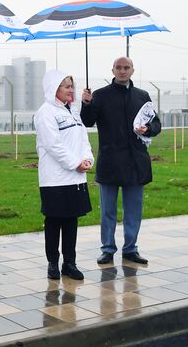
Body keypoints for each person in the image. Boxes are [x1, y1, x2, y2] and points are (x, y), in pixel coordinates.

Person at [81, 57, 161, 265]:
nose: (122, 71)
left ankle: (130, 249)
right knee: (108, 210)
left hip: (136, 162)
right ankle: (107, 249)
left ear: (133, 70)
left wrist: (148, 129)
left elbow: (156, 123)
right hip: (110, 160)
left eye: (126, 68)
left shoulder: (142, 96)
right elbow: (88, 121)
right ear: (113, 70)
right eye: (119, 67)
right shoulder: (100, 95)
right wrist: (86, 104)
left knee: (133, 210)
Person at [34, 70, 94, 281]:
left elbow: (83, 140)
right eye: (66, 86)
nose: (71, 90)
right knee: (54, 220)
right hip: (55, 178)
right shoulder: (45, 112)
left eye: (71, 86)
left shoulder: (74, 111)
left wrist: (87, 159)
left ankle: (70, 263)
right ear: (54, 89)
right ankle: (53, 263)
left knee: (71, 220)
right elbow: (53, 144)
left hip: (76, 177)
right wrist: (74, 163)